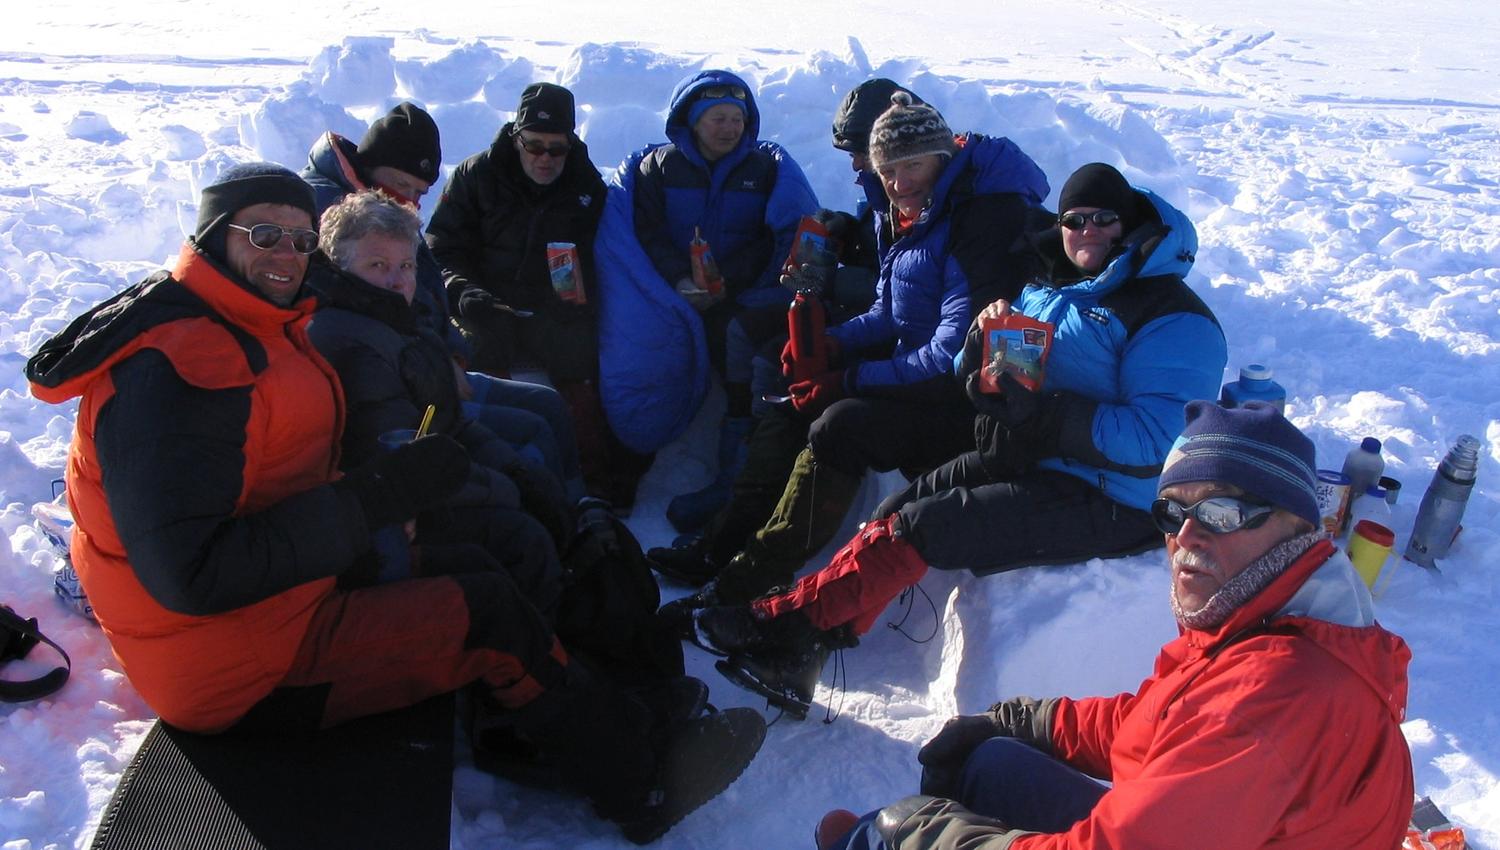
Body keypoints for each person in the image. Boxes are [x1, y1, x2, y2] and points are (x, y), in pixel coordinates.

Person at [24, 162, 766, 844]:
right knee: (485, 614)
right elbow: (192, 575)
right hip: (236, 662)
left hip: (281, 597)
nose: (285, 253)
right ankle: (636, 784)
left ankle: (606, 707)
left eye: (296, 236)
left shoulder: (254, 323)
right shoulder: (179, 372)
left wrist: (385, 490)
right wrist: (371, 499)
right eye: (262, 235)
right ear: (213, 241)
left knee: (486, 563)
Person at [692, 162, 1228, 718]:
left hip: (1113, 499)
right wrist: (981, 353)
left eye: (1103, 219)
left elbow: (1155, 441)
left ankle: (783, 628)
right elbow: (1002, 378)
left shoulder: (1172, 317)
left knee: (928, 526)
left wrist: (1040, 413)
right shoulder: (1054, 284)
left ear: (1131, 224)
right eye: (1074, 219)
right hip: (1033, 457)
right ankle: (802, 648)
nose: (1086, 230)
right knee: (900, 506)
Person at [820, 401, 1415, 850]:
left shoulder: (1276, 696)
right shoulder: (1263, 618)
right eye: (1173, 510)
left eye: (1223, 509)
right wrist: (1026, 721)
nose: (1186, 535)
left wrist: (929, 839)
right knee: (994, 760)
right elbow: (1156, 724)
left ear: (1295, 525)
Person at [652, 92, 1050, 629]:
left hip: (969, 399)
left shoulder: (975, 223)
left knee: (840, 424)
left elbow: (950, 354)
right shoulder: (919, 215)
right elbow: (889, 311)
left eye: (911, 165)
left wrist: (848, 377)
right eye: (888, 170)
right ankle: (728, 550)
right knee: (798, 401)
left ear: (942, 159)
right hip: (927, 378)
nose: (898, 181)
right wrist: (831, 346)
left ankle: (749, 581)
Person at [666, 78, 923, 535]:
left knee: (774, 364)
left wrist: (834, 281)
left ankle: (749, 497)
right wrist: (847, 231)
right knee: (742, 330)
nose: (857, 165)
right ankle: (732, 477)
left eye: (860, 151)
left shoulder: (915, 189)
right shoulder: (883, 190)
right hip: (851, 312)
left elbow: (903, 292)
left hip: (887, 341)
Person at [301, 101, 586, 502]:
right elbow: (374, 315)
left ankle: (580, 511)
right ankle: (563, 519)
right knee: (532, 431)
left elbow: (426, 290)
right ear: (372, 166)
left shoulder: (389, 211)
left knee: (549, 405)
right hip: (409, 395)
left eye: (420, 192)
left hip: (430, 367)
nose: (409, 199)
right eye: (402, 183)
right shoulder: (330, 216)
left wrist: (450, 353)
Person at [306, 189, 572, 604]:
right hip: (397, 514)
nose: (398, 280)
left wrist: (516, 474)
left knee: (536, 471)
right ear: (339, 267)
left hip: (433, 478)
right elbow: (401, 468)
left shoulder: (395, 320)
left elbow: (451, 422)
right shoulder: (348, 342)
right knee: (526, 540)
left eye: (406, 265)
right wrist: (506, 489)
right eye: (378, 265)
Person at [426, 84, 646, 507]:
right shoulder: (477, 175)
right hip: (485, 306)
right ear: (516, 138)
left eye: (556, 149)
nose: (545, 159)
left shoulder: (587, 189)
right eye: (535, 146)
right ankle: (498, 479)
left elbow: (607, 261)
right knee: (482, 364)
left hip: (553, 311)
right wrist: (464, 293)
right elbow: (440, 248)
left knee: (581, 365)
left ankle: (592, 484)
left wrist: (579, 302)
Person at [590, 70, 817, 471]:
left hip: (736, 291)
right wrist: (680, 278)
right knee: (639, 350)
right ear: (693, 120)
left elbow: (772, 240)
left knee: (734, 340)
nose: (730, 129)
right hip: (664, 290)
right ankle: (625, 464)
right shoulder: (658, 168)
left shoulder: (762, 170)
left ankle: (735, 461)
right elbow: (645, 234)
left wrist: (726, 282)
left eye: (738, 119)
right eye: (718, 118)